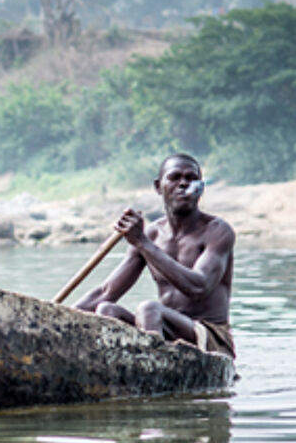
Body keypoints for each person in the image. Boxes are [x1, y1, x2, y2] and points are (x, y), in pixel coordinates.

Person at [73, 153, 236, 358]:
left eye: (191, 178)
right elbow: (107, 292)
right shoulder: (152, 234)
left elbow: (199, 287)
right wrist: (60, 315)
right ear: (159, 187)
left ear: (200, 188)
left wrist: (142, 243)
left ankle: (154, 366)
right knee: (106, 310)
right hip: (164, 332)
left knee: (149, 309)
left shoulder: (217, 231)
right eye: (175, 177)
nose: (183, 184)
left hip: (209, 336)